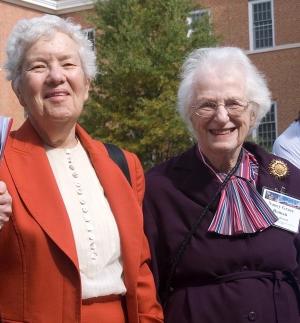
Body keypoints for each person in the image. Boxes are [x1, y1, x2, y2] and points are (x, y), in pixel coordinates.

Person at [0, 14, 163, 323]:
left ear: (87, 84)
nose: (56, 76)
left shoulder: (123, 164)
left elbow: (140, 272)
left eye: (68, 64)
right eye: (38, 66)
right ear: (19, 90)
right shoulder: (1, 162)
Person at [143, 47, 300, 323]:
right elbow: (146, 287)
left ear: (253, 111)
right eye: (207, 104)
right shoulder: (158, 189)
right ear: (190, 116)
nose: (222, 116)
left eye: (234, 103)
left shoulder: (289, 179)